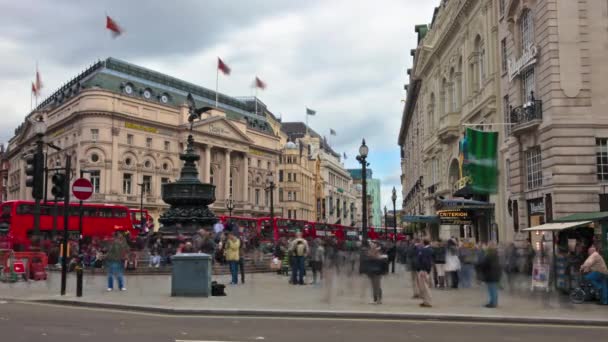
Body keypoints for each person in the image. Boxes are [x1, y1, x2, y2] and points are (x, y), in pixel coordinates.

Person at [478, 242, 502, 308]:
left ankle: (493, 303)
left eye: (488, 245)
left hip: (491, 274)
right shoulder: (496, 254)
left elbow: (485, 264)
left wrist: (480, 266)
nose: (487, 247)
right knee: (494, 289)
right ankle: (494, 302)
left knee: (492, 290)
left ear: (490, 246)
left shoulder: (490, 254)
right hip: (496, 274)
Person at [416, 239, 434, 308]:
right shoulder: (430, 249)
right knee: (423, 286)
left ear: (423, 243)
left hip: (423, 270)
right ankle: (425, 301)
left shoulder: (424, 250)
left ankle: (428, 301)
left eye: (421, 242)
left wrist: (423, 269)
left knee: (425, 287)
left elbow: (424, 261)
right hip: (426, 269)